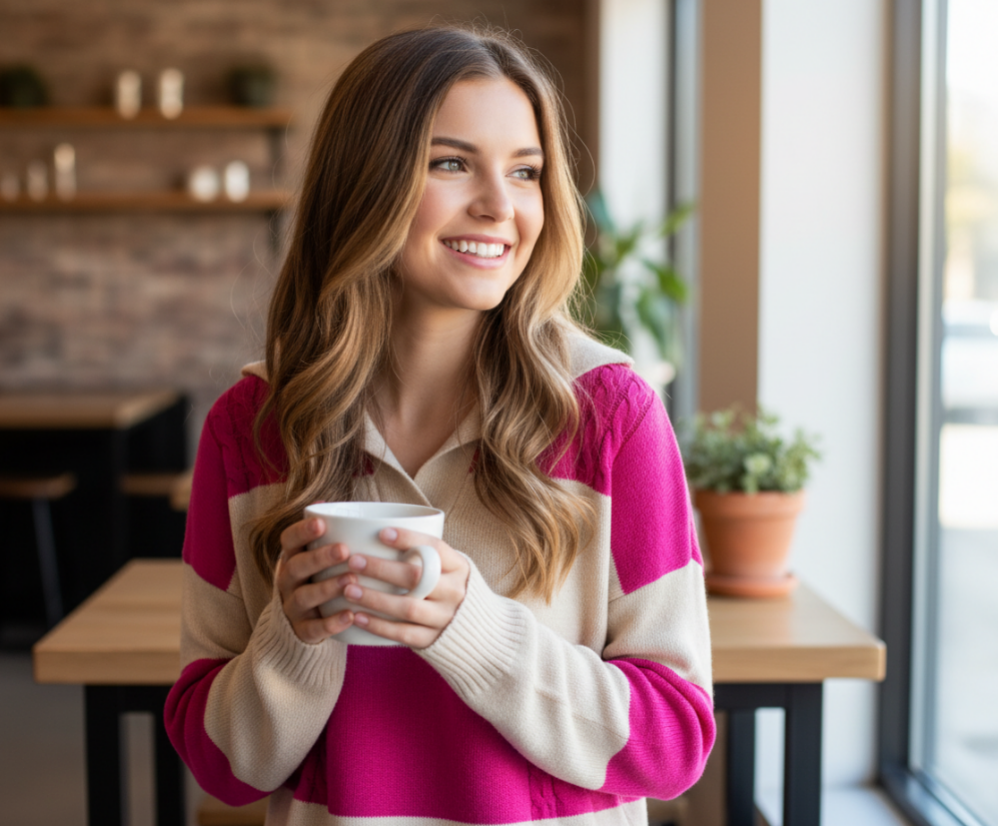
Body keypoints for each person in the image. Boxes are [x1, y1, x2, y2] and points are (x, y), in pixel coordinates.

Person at [165, 24, 715, 826]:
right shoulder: (252, 427)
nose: (500, 205)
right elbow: (222, 768)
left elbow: (674, 745)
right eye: (451, 163)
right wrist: (292, 636)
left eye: (525, 172)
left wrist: (474, 629)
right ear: (365, 183)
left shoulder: (608, 415)